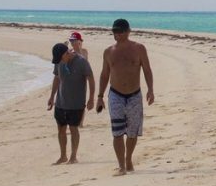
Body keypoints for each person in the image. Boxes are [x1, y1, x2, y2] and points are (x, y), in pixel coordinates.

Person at [95, 18, 154, 176]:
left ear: (128, 31)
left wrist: (150, 89)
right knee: (117, 132)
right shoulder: (109, 52)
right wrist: (100, 96)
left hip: (134, 95)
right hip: (115, 95)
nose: (117, 34)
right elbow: (104, 74)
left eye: (120, 31)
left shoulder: (139, 49)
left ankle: (128, 159)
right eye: (114, 31)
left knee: (133, 132)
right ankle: (121, 166)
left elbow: (147, 69)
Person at [46, 42, 95, 165]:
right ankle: (63, 156)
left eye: (60, 58)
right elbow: (57, 78)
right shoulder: (59, 61)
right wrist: (52, 97)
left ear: (66, 53)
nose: (59, 61)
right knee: (61, 129)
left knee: (73, 129)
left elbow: (90, 78)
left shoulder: (81, 61)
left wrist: (91, 98)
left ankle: (73, 156)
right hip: (60, 102)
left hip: (76, 103)